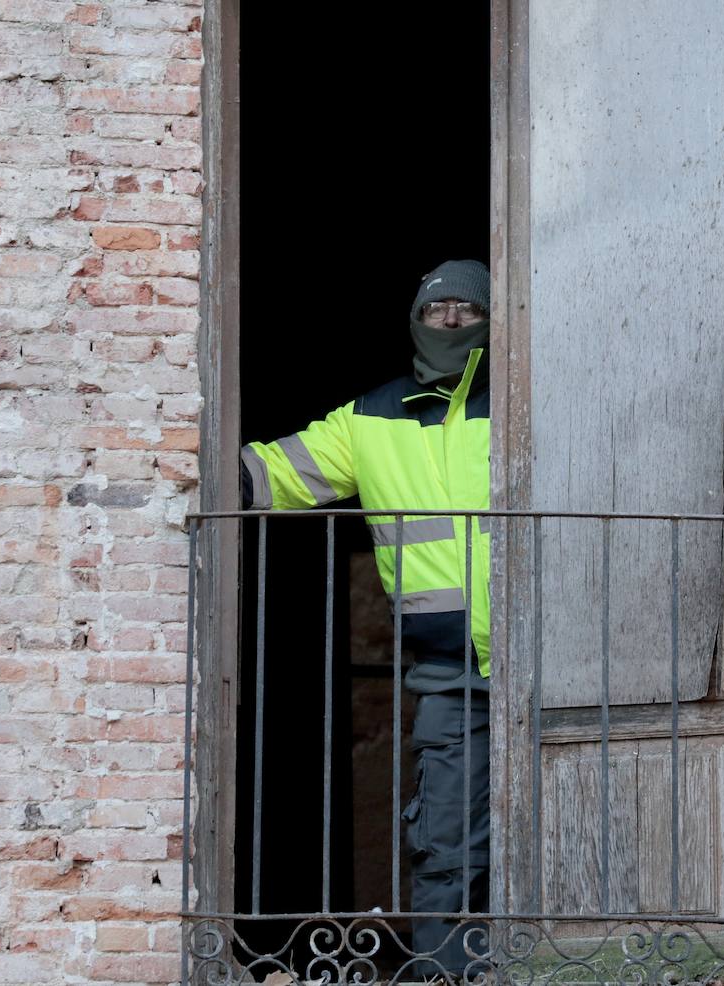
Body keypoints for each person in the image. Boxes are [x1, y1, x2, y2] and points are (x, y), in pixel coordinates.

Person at [240, 259, 492, 974]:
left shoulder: (533, 400)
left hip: (561, 662)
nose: (449, 320)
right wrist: (174, 458)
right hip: (449, 674)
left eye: (468, 311)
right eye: (436, 308)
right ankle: (448, 975)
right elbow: (278, 473)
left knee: (573, 830)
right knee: (446, 844)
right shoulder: (370, 418)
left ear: (494, 321)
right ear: (416, 319)